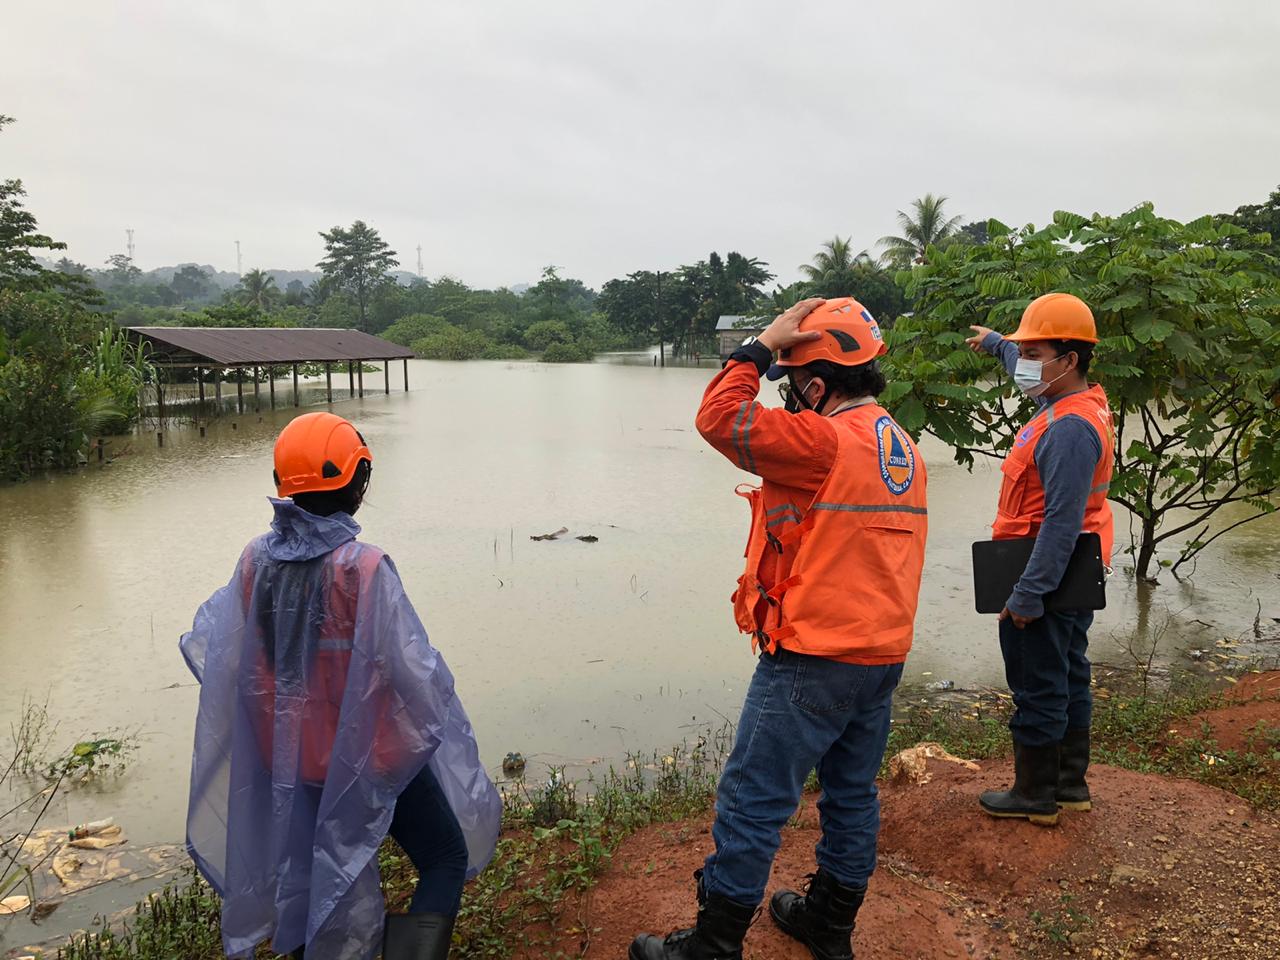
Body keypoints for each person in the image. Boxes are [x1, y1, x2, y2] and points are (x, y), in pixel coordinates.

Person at [631, 298, 928, 960]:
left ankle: (713, 945)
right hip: (882, 654)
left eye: (792, 381)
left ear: (816, 386)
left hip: (814, 656)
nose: (788, 393)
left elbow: (720, 418)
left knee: (753, 798)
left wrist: (759, 347)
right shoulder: (901, 445)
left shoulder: (824, 441)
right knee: (851, 794)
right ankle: (829, 924)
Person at [180, 412, 501, 960]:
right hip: (367, 760)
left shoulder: (256, 561)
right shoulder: (362, 568)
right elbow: (414, 675)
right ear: (358, 483)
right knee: (443, 857)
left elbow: (223, 650)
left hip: (290, 760)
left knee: (308, 879)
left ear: (284, 485)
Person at [965, 292, 1115, 826]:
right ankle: (1069, 785)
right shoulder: (1075, 399)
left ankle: (1035, 795)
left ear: (1068, 359)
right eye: (1023, 352)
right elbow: (1023, 364)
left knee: (1040, 682)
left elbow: (1060, 523)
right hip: (1073, 573)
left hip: (1044, 572)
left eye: (1034, 353)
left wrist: (1028, 594)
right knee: (1068, 674)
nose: (1024, 363)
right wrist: (997, 344)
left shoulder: (1068, 429)